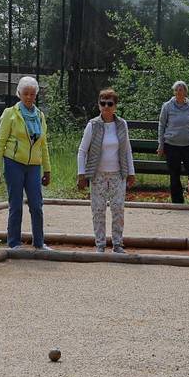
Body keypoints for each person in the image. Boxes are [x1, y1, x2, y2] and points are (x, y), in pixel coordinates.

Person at [0, 75, 51, 250]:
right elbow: (0, 141)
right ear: (19, 93)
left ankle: (39, 242)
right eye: (26, 93)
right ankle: (14, 242)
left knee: (36, 204)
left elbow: (43, 144)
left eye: (32, 94)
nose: (29, 97)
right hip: (13, 163)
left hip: (34, 165)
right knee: (16, 204)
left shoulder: (40, 115)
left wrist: (47, 169)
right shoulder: (10, 113)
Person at [74, 88, 134, 253]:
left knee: (118, 208)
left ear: (115, 106)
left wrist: (131, 172)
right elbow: (82, 151)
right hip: (98, 174)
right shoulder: (93, 125)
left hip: (117, 173)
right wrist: (81, 174)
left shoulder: (122, 124)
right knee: (98, 209)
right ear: (99, 105)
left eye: (110, 103)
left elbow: (127, 150)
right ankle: (100, 244)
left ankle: (117, 244)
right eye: (103, 103)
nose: (106, 106)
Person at [157, 81, 189, 206]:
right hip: (171, 145)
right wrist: (161, 144)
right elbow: (161, 125)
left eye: (181, 90)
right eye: (177, 90)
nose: (179, 92)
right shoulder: (167, 106)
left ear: (185, 92)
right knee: (174, 175)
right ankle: (177, 202)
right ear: (174, 92)